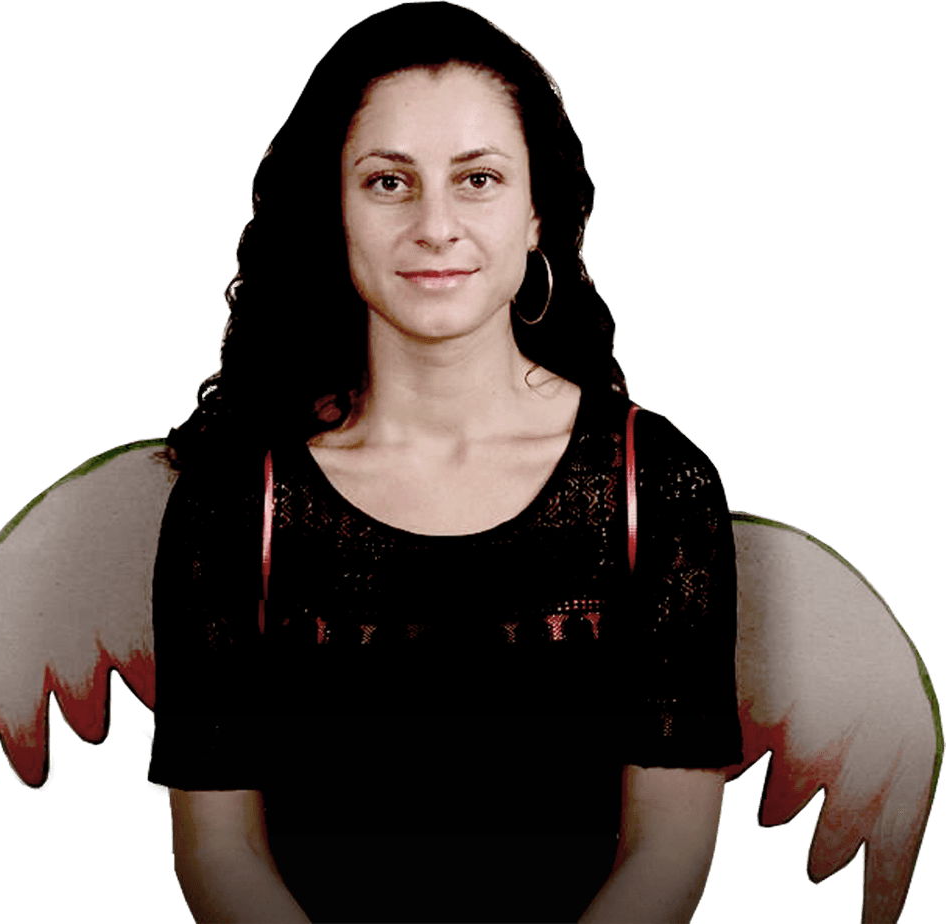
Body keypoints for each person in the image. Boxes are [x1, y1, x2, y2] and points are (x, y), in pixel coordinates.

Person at [146, 3, 743, 922]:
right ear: (333, 210)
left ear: (537, 212)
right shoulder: (235, 497)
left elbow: (666, 851)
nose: (435, 226)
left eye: (478, 179)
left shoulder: (655, 483)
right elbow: (219, 852)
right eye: (388, 182)